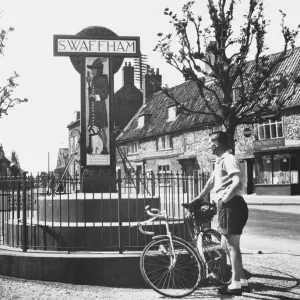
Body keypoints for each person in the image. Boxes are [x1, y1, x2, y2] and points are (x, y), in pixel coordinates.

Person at [190, 131, 249, 296]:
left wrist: (223, 199)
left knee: (231, 245)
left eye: (210, 142)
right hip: (229, 205)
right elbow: (211, 181)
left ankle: (235, 285)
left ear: (216, 143)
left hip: (231, 205)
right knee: (226, 244)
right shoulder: (219, 161)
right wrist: (199, 198)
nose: (209, 145)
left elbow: (237, 182)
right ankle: (242, 280)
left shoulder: (229, 160)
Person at [86, 57, 109, 155]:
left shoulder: (103, 78)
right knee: (92, 128)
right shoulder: (94, 79)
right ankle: (91, 146)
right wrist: (89, 83)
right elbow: (90, 93)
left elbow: (105, 94)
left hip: (100, 108)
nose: (91, 71)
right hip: (93, 108)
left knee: (101, 129)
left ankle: (104, 148)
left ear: (98, 69)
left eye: (93, 69)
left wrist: (94, 96)